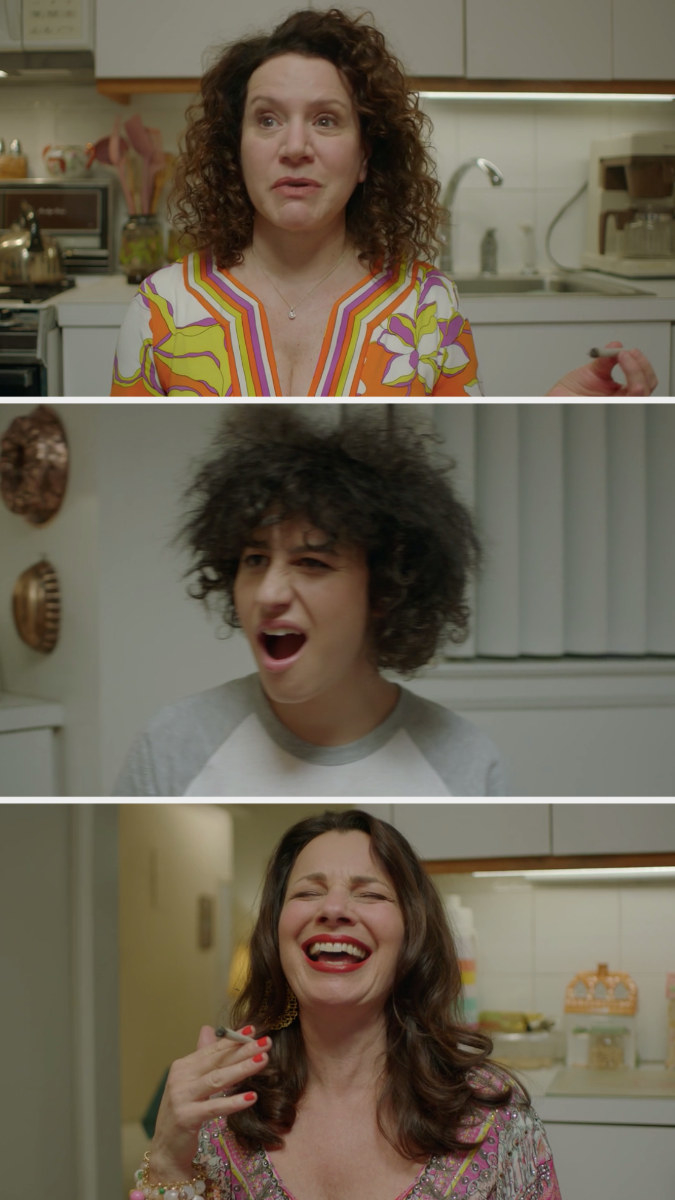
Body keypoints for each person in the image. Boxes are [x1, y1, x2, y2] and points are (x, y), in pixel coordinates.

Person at [110, 7, 657, 399]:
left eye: (326, 120)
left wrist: (554, 409)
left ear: (367, 157)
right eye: (268, 119)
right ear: (236, 149)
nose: (295, 147)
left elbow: (450, 478)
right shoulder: (162, 309)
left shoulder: (428, 308)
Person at [130, 808, 562, 1200]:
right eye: (307, 893)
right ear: (275, 933)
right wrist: (167, 1159)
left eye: (370, 894)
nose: (334, 908)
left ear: (411, 935)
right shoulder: (219, 1115)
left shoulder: (494, 1120)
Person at [114, 405, 504, 796]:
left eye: (311, 562)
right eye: (255, 560)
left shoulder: (462, 762)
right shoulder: (171, 747)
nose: (269, 593)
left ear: (385, 589)